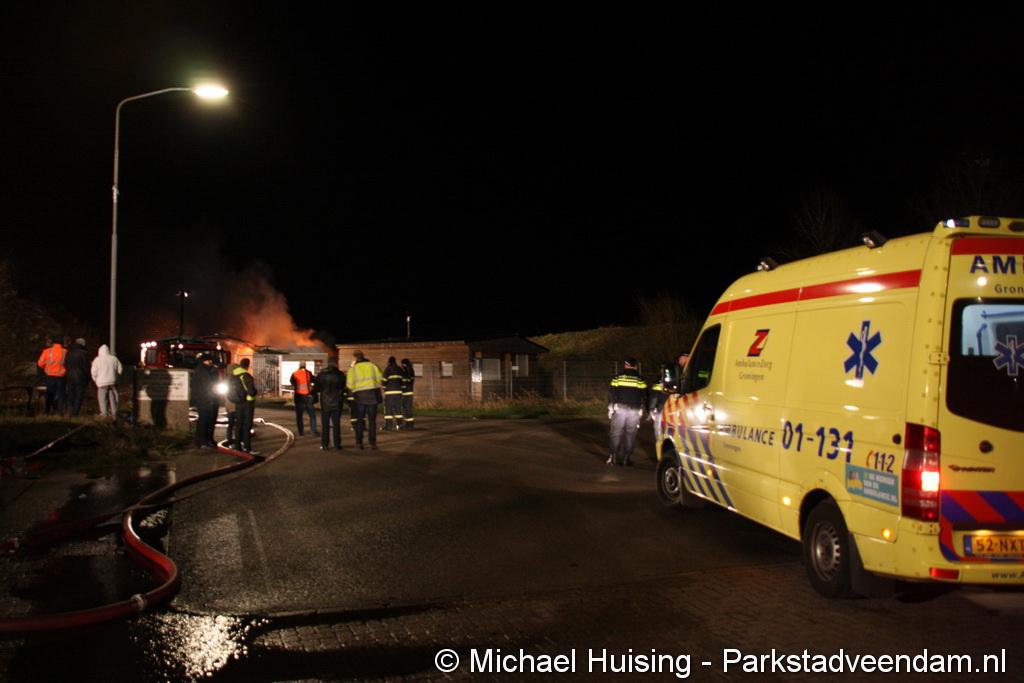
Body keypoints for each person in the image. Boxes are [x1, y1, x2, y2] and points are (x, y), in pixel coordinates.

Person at [607, 357, 648, 466]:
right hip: (634, 410)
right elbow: (644, 395)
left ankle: (613, 458)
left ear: (625, 365)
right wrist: (643, 408)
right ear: (635, 366)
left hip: (619, 408)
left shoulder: (617, 378)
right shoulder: (640, 379)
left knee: (616, 433)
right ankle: (626, 459)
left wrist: (611, 407)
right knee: (630, 435)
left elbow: (611, 393)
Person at [346, 350, 383, 450]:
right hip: (372, 396)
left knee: (359, 421)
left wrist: (357, 387)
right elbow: (380, 379)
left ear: (356, 358)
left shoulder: (353, 369)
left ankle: (359, 443)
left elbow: (349, 385)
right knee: (372, 421)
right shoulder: (373, 366)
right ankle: (372, 443)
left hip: (359, 397)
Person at [314, 359, 346, 450]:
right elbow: (343, 387)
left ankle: (325, 444)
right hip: (337, 401)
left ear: (328, 364)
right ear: (336, 364)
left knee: (325, 425)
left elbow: (316, 388)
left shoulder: (322, 374)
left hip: (325, 402)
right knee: (336, 424)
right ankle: (337, 444)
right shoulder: (340, 375)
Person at [228, 358, 258, 452]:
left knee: (239, 425)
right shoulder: (246, 375)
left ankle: (238, 446)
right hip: (247, 404)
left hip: (237, 403)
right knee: (247, 426)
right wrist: (254, 392)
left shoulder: (233, 375)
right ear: (248, 365)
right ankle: (247, 447)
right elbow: (251, 391)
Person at [193, 354, 221, 449]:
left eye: (210, 360)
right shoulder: (200, 372)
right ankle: (202, 441)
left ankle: (209, 439)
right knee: (204, 420)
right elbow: (201, 387)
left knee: (211, 420)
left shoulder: (211, 371)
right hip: (204, 400)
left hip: (212, 399)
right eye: (208, 360)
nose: (210, 362)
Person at [36, 335, 68, 415]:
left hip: (49, 376)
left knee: (50, 394)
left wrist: (45, 368)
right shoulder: (65, 352)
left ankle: (47, 411)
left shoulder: (47, 351)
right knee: (61, 394)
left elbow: (40, 363)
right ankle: (60, 412)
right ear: (62, 343)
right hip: (61, 376)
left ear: (53, 343)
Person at [91, 344, 123, 419]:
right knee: (112, 398)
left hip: (101, 383)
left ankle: (104, 413)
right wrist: (117, 376)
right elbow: (120, 369)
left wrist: (95, 380)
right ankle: (114, 414)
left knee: (102, 398)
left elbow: (93, 372)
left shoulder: (97, 359)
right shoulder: (114, 358)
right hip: (112, 381)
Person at [290, 361, 319, 436]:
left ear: (299, 366)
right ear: (305, 366)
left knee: (299, 416)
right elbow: (314, 380)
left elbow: (292, 383)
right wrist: (312, 388)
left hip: (299, 397)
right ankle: (313, 431)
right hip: (308, 397)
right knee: (312, 415)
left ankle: (301, 432)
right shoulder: (308, 373)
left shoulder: (294, 374)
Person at [64, 337, 90, 417]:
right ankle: (75, 412)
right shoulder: (84, 353)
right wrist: (88, 377)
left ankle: (70, 410)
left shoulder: (69, 352)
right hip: (80, 376)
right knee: (79, 395)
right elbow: (86, 367)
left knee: (70, 394)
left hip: (69, 376)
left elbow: (65, 364)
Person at [382, 356, 405, 431]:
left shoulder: (387, 369)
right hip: (398, 392)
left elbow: (384, 381)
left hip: (389, 393)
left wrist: (384, 388)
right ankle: (400, 425)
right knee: (398, 409)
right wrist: (402, 389)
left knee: (388, 409)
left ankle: (388, 426)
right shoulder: (399, 369)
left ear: (389, 362)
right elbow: (403, 381)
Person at [400, 358, 415, 430]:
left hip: (406, 392)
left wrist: (402, 387)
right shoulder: (410, 370)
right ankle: (409, 424)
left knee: (406, 408)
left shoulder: (407, 370)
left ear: (404, 364)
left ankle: (409, 424)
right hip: (409, 391)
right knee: (407, 408)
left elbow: (406, 381)